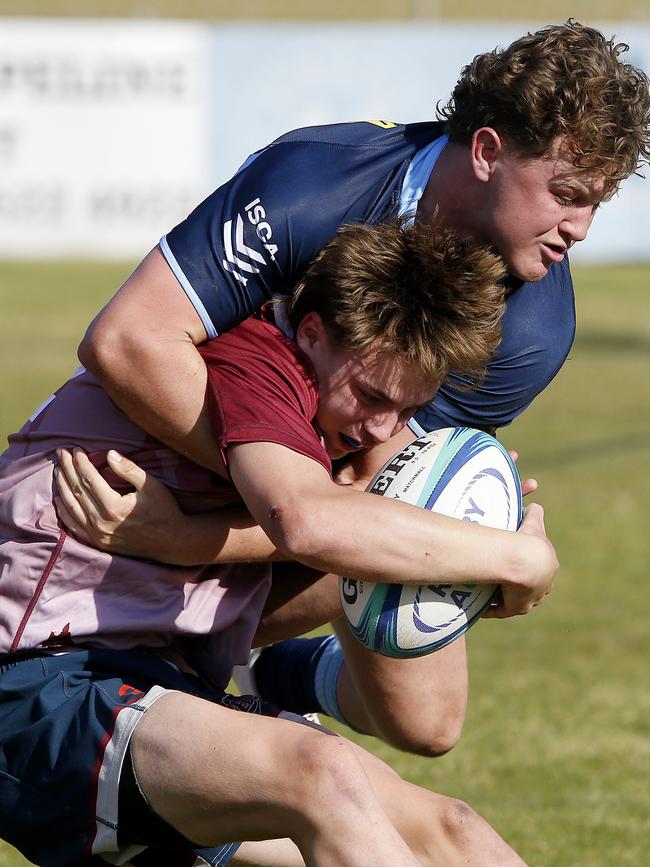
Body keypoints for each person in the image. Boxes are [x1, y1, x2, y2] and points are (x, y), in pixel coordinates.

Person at [65, 20, 650, 757]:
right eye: (567, 194)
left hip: (292, 510)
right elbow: (126, 341)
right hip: (163, 458)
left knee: (426, 722)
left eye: (598, 202)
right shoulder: (314, 181)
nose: (582, 228)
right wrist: (271, 480)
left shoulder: (532, 331)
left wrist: (208, 532)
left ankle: (270, 668)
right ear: (488, 151)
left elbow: (372, 488)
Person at [0, 222, 554, 867]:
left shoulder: (337, 404)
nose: (381, 427)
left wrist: (481, 542)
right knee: (319, 773)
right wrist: (520, 559)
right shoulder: (258, 367)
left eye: (408, 410)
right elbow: (308, 522)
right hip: (36, 682)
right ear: (311, 332)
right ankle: (285, 671)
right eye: (372, 396)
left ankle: (276, 669)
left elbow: (371, 517)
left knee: (448, 831)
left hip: (161, 680)